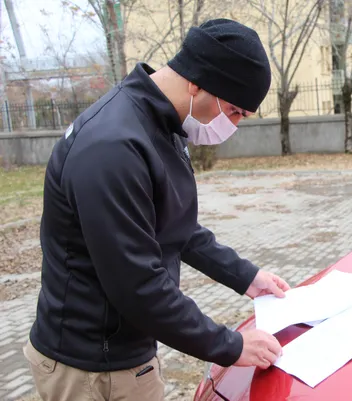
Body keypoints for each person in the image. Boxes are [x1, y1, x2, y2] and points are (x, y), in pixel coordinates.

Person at [23, 18, 290, 401]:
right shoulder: (113, 147)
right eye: (234, 110)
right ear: (197, 82)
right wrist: (230, 345)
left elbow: (175, 224)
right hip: (92, 368)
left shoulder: (160, 125)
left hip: (125, 350)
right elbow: (137, 284)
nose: (233, 125)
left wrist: (246, 276)